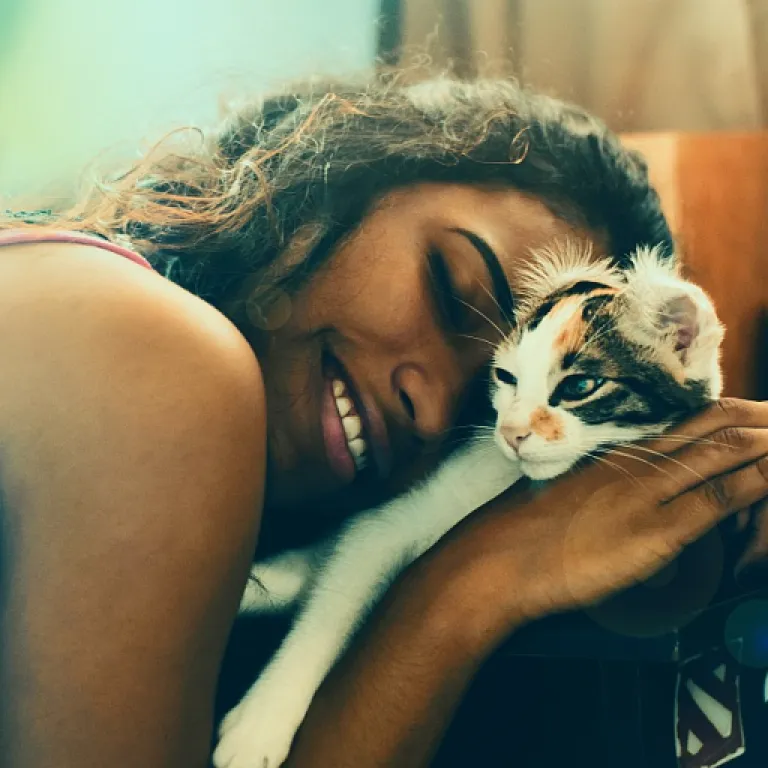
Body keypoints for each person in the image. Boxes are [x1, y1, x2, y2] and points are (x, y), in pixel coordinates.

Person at [1, 76, 767, 768]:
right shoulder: (163, 360)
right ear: (352, 167)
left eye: (478, 401)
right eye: (450, 287)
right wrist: (474, 585)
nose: (435, 412)